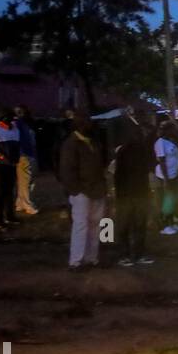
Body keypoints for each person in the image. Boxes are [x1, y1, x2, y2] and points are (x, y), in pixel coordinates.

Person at [60, 110, 107, 270]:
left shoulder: (92, 141)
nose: (91, 123)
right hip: (82, 191)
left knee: (95, 225)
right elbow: (67, 171)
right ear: (79, 124)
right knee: (81, 226)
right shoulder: (71, 143)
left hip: (96, 189)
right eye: (87, 120)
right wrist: (76, 190)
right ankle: (76, 261)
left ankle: (91, 258)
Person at [114, 118, 155, 266]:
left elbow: (144, 172)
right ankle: (127, 255)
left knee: (137, 226)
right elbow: (118, 175)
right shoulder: (124, 151)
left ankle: (136, 255)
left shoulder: (141, 150)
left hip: (137, 194)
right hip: (128, 195)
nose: (141, 135)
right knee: (128, 226)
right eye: (139, 133)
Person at [154, 121, 178, 234]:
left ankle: (172, 223)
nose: (174, 131)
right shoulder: (160, 142)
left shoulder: (170, 141)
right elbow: (162, 161)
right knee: (167, 200)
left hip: (173, 175)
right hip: (164, 176)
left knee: (172, 199)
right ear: (167, 130)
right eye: (172, 129)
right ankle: (164, 226)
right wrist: (166, 179)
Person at [13, 104, 39, 215]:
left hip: (26, 155)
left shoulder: (23, 124)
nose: (20, 114)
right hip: (24, 155)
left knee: (24, 181)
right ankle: (27, 205)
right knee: (27, 181)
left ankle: (20, 202)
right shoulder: (18, 124)